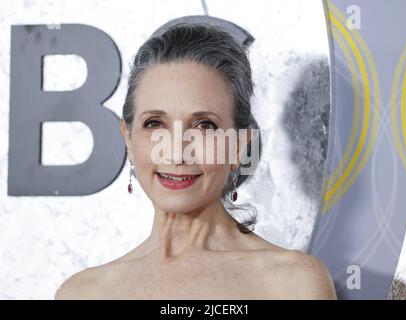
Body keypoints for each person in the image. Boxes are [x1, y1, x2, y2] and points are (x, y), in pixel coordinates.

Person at [55, 23, 337, 299]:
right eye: (155, 123)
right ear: (128, 138)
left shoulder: (293, 284)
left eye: (204, 126)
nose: (177, 152)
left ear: (239, 145)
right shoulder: (82, 293)